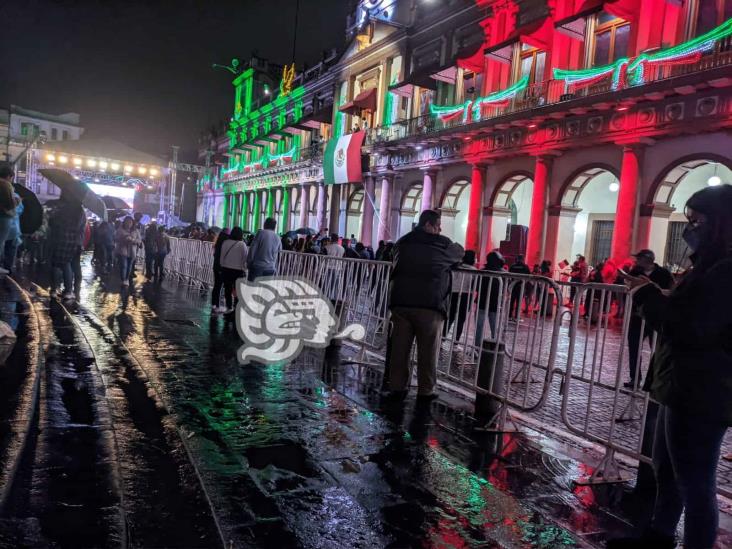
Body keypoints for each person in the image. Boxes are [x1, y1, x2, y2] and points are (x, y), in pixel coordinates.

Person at [611, 184, 732, 549]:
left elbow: (693, 325)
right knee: (666, 469)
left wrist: (646, 295)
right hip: (680, 380)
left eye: (697, 220)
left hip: (703, 387)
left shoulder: (725, 269)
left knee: (695, 485)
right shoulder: (709, 265)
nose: (689, 228)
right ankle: (659, 535)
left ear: (720, 222)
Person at [387, 209, 464, 401]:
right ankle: (426, 390)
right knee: (428, 350)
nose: (440, 229)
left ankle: (397, 386)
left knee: (399, 349)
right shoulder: (443, 244)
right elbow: (459, 252)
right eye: (438, 226)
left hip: (401, 302)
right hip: (429, 304)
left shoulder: (402, 242)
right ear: (428, 225)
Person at [624, 249, 674, 389]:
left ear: (647, 259)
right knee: (634, 346)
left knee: (656, 349)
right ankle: (635, 378)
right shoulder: (635, 272)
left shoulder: (663, 273)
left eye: (639, 258)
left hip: (656, 317)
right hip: (637, 315)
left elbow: (670, 290)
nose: (636, 261)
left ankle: (653, 380)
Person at [48, 192, 86, 299]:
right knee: (67, 264)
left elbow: (52, 222)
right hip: (72, 240)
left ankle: (54, 289)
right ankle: (68, 291)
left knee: (55, 264)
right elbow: (79, 227)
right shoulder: (79, 211)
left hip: (58, 238)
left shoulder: (62, 209)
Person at [444, 250, 477, 342]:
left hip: (453, 294)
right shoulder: (474, 270)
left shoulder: (456, 267)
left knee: (450, 317)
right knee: (461, 319)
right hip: (466, 296)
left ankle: (442, 338)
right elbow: (474, 285)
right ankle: (456, 341)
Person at [475, 251, 505, 346]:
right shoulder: (503, 274)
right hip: (495, 303)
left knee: (479, 326)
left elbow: (476, 286)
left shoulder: (482, 271)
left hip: (482, 302)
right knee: (495, 328)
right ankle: (494, 347)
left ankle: (477, 346)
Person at [218, 227, 248, 313]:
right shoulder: (242, 244)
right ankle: (236, 307)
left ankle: (229, 307)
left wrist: (222, 265)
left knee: (227, 288)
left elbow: (222, 255)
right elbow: (245, 258)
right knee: (237, 290)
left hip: (226, 269)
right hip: (238, 270)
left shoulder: (225, 242)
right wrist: (244, 268)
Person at [0, 163, 18, 275]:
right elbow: (10, 204)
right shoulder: (6, 185)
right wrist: (18, 199)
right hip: (4, 216)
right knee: (1, 241)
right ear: (9, 176)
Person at [114, 216, 141, 288]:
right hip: (122, 251)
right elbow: (116, 239)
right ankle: (124, 280)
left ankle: (126, 278)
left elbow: (139, 240)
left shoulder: (136, 231)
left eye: (130, 222)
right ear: (124, 222)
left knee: (129, 267)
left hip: (132, 252)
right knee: (124, 266)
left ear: (132, 223)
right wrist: (123, 239)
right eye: (127, 222)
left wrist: (133, 240)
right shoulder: (120, 230)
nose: (128, 224)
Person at [508, 254, 531, 319]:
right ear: (523, 259)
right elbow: (529, 277)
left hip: (513, 286)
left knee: (511, 301)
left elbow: (509, 275)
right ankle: (516, 317)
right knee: (519, 302)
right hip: (521, 286)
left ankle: (509, 316)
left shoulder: (512, 266)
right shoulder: (525, 266)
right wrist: (524, 283)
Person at [211, 230, 228, 312]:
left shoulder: (217, 244)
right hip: (222, 267)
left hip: (216, 267)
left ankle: (214, 303)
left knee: (216, 286)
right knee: (219, 286)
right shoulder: (225, 245)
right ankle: (217, 305)